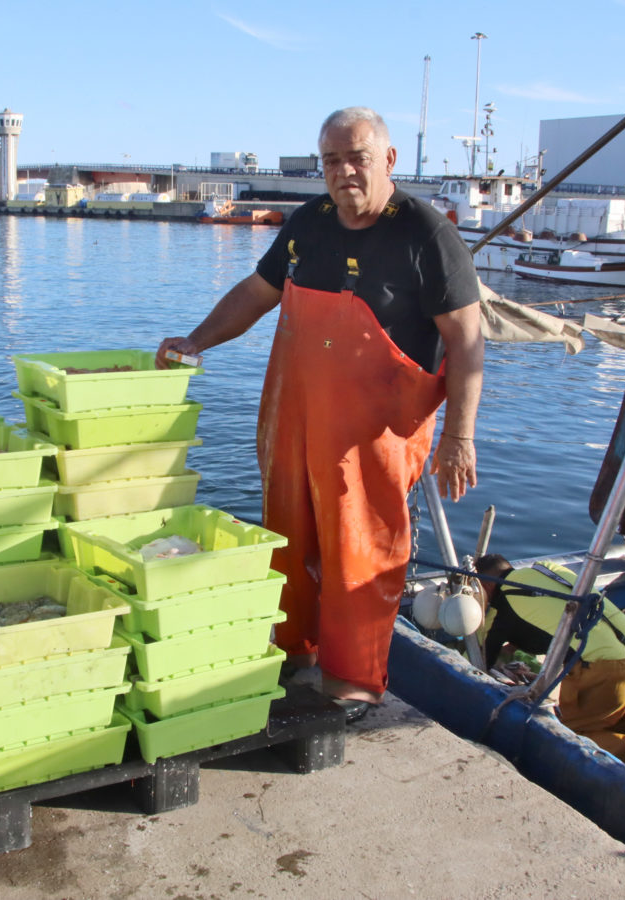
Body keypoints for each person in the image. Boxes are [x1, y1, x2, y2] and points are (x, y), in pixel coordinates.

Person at [157, 107, 484, 722]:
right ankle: (292, 654)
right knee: (287, 541)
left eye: (358, 157)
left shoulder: (427, 234)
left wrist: (460, 436)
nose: (344, 171)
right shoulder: (309, 222)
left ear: (388, 159)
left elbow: (467, 341)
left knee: (361, 553)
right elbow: (257, 293)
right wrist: (197, 340)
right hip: (294, 420)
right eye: (331, 160)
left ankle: (352, 684)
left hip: (374, 439)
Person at [474, 554, 625, 779]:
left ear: (487, 586)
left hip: (609, 673)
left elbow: (479, 659)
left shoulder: (502, 604)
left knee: (556, 727)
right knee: (614, 712)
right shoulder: (548, 569)